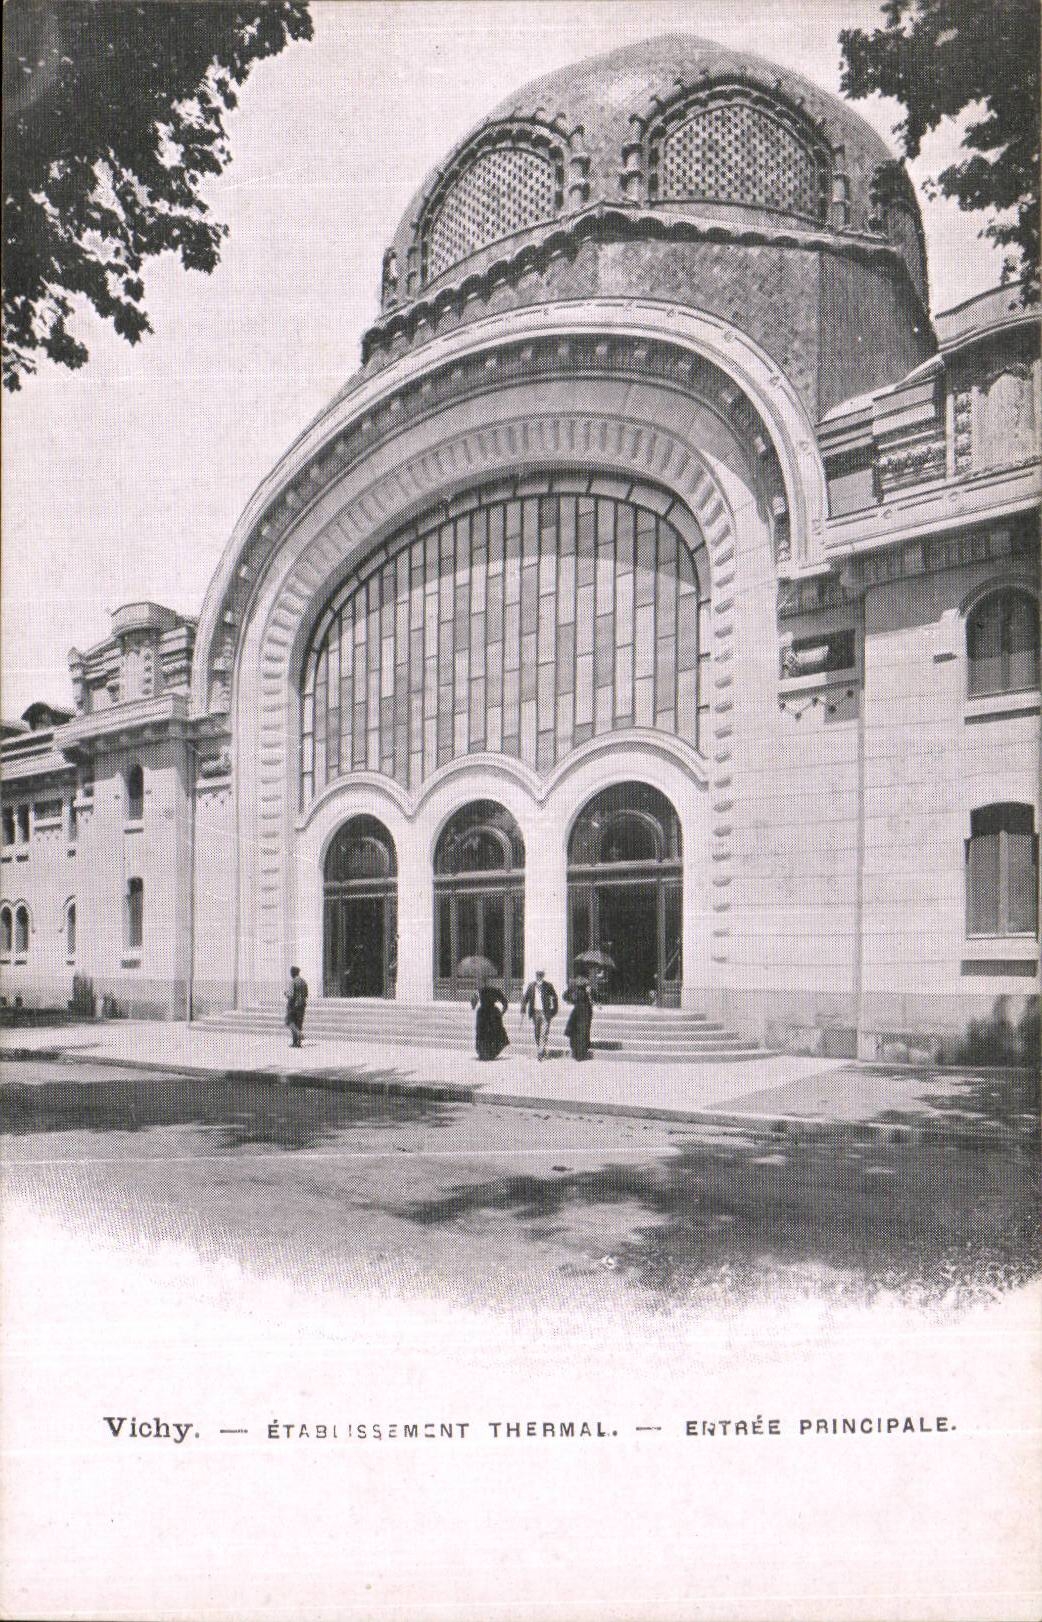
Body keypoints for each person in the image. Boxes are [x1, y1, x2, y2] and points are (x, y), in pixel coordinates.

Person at [520, 969, 559, 1060]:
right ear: (536, 976)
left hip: (545, 1013)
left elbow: (554, 997)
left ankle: (541, 1052)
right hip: (535, 1013)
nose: (539, 977)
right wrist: (523, 1009)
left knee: (544, 1033)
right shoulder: (531, 986)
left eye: (541, 975)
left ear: (543, 976)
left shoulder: (548, 986)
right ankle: (540, 1049)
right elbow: (525, 999)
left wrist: (554, 1010)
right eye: (538, 975)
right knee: (537, 1032)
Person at [470, 980, 509, 1060]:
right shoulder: (490, 991)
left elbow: (473, 1002)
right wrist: (502, 1012)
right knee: (488, 1033)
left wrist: (473, 1005)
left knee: (486, 1033)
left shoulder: (481, 991)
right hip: (490, 1014)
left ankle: (486, 1053)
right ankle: (488, 1053)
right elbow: (505, 1002)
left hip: (486, 1014)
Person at [563, 975, 594, 1061]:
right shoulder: (579, 991)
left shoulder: (579, 990)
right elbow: (565, 996)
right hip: (583, 1011)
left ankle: (578, 1053)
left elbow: (565, 997)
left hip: (580, 1011)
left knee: (579, 1031)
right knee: (581, 1031)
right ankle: (579, 1054)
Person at [284, 965, 308, 1048]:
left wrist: (286, 993)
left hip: (293, 1006)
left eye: (291, 972)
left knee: (289, 1021)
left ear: (293, 972)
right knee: (299, 1023)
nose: (290, 974)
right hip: (302, 1005)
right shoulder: (303, 981)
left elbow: (291, 995)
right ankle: (297, 1043)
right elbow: (306, 994)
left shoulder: (293, 982)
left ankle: (298, 1034)